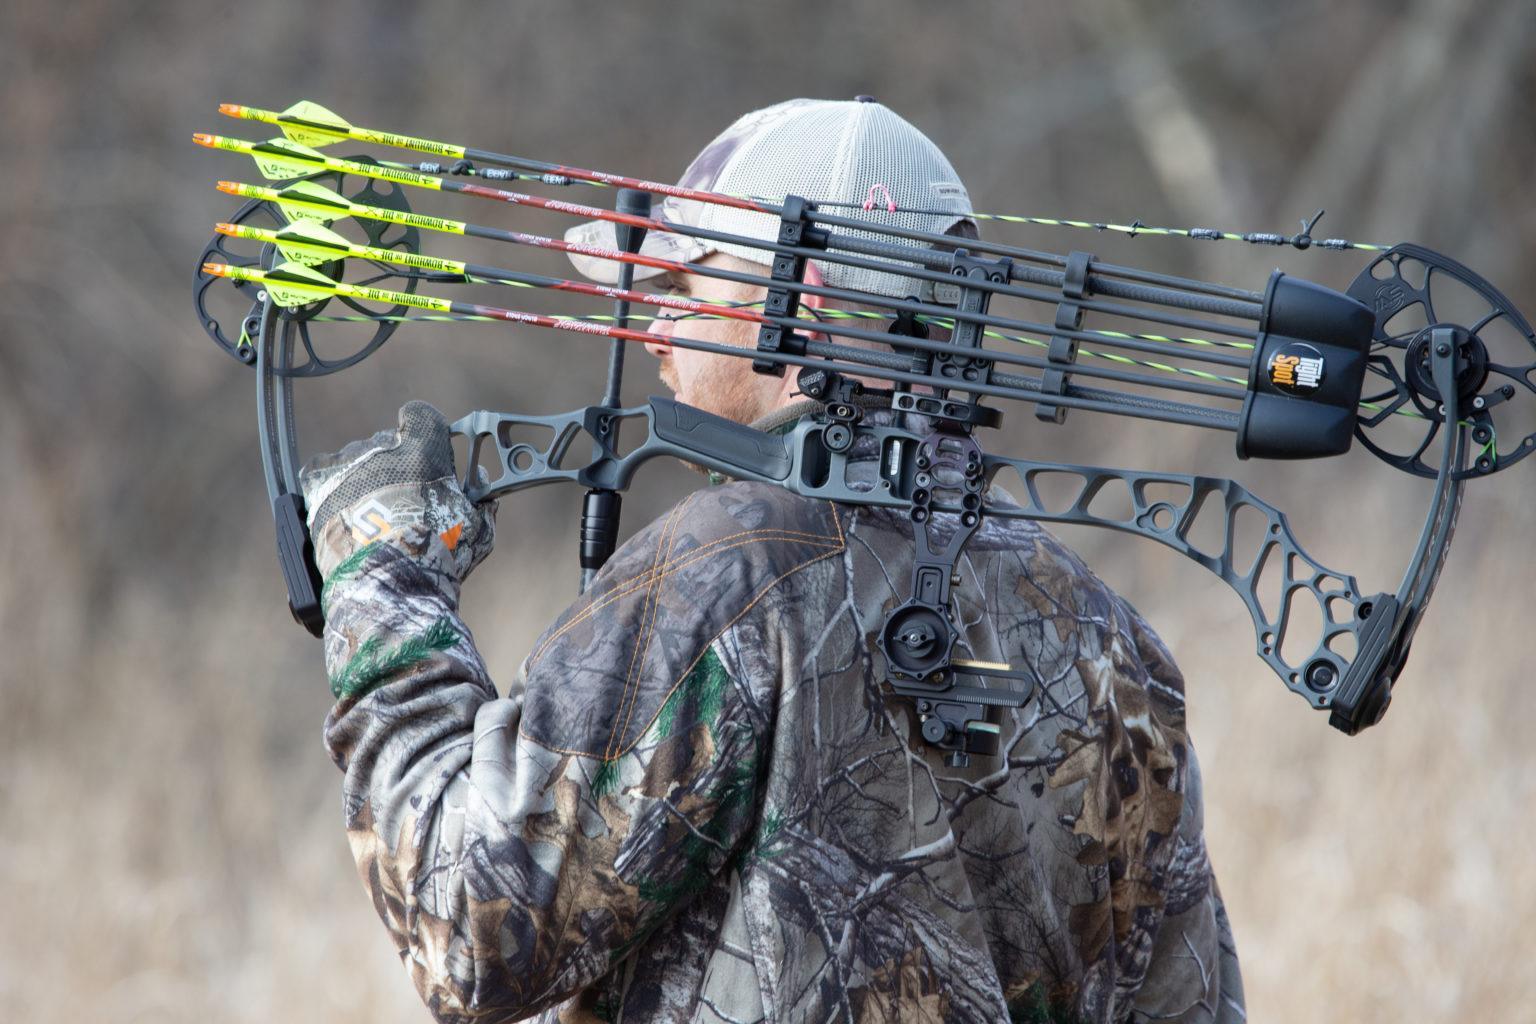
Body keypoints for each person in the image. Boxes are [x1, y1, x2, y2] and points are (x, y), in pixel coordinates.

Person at [301, 98, 1244, 1023]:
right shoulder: (1116, 641)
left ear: (805, 302)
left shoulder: (733, 569)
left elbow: (472, 933)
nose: (654, 331)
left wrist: (382, 574)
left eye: (679, 288)